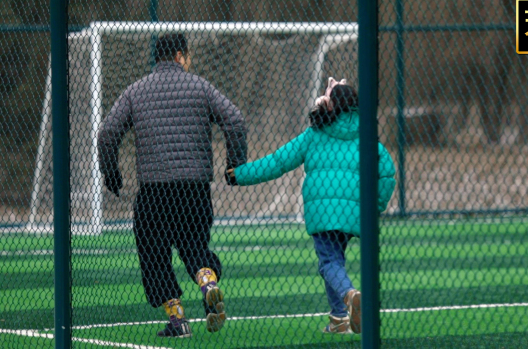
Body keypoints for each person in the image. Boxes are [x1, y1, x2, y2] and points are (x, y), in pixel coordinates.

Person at [98, 33, 247, 338]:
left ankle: (177, 320)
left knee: (153, 253)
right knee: (194, 245)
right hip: (194, 188)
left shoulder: (135, 91)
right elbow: (235, 120)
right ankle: (207, 281)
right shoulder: (200, 87)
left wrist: (111, 173)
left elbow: (107, 133)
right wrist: (235, 165)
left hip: (154, 190)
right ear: (180, 55)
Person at [228, 78, 395, 334]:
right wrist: (375, 206)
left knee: (329, 261)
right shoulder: (366, 136)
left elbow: (278, 161)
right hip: (353, 211)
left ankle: (350, 295)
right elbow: (387, 173)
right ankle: (339, 319)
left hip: (321, 211)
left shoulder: (315, 133)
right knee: (333, 260)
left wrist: (239, 175)